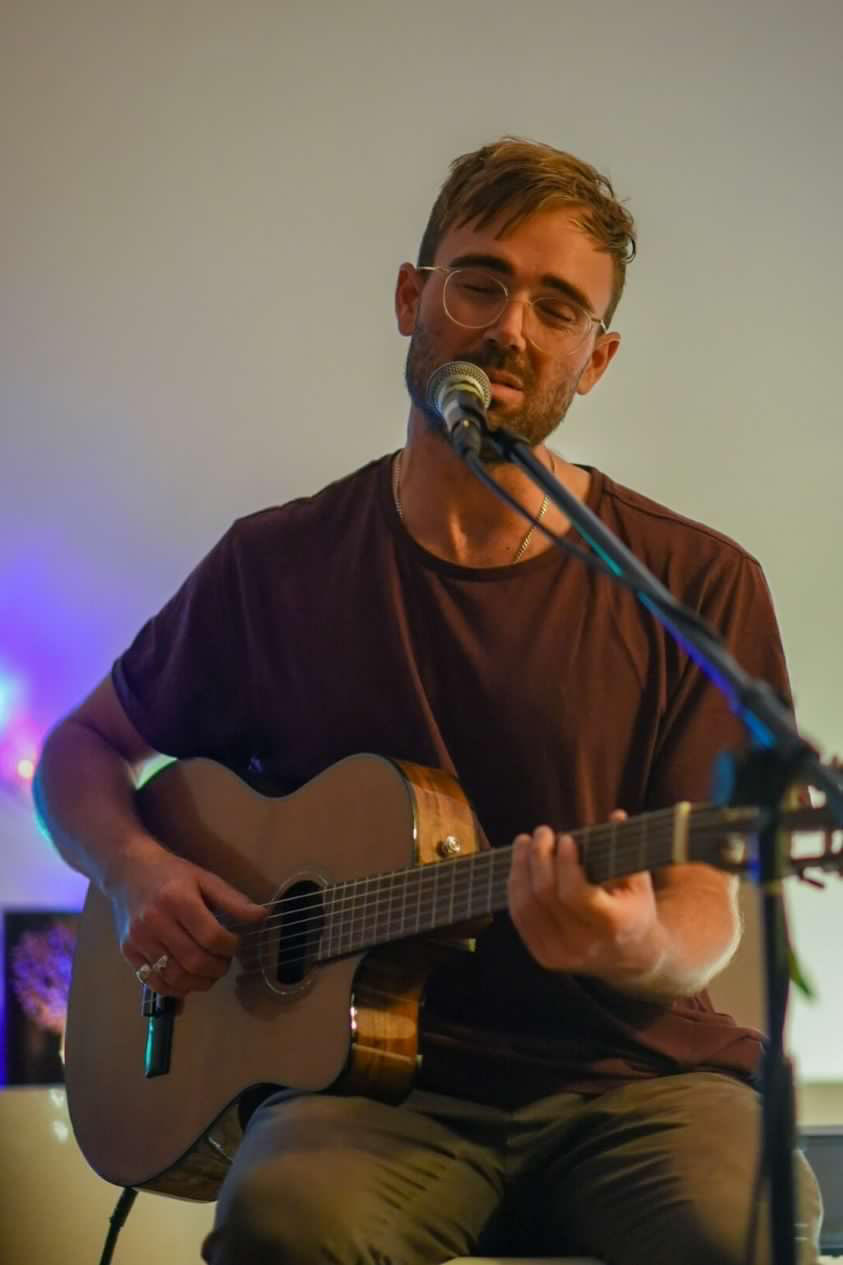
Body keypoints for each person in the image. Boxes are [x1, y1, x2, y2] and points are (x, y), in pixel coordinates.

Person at [35, 138, 822, 1265]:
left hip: (636, 1083)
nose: (511, 330)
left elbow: (701, 910)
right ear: (413, 298)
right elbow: (84, 749)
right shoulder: (278, 565)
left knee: (748, 1230)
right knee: (282, 1222)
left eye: (558, 308)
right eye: (480, 282)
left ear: (595, 359)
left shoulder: (694, 584)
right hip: (363, 1096)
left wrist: (633, 942)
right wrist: (134, 870)